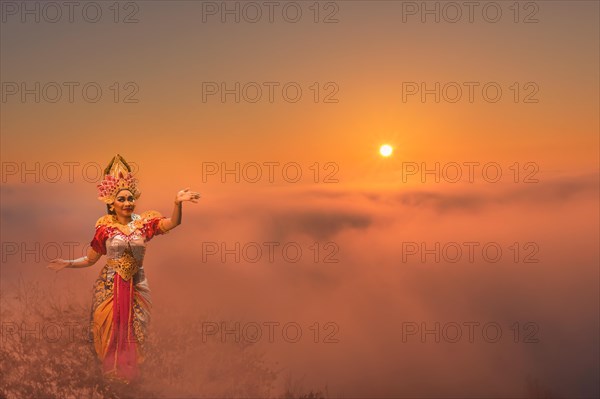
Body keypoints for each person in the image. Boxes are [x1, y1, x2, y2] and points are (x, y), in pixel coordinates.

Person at [47, 154, 200, 384]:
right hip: (110, 285)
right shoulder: (104, 228)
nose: (128, 202)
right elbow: (91, 260)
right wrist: (68, 263)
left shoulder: (143, 223)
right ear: (111, 203)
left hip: (137, 285)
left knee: (136, 331)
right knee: (109, 330)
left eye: (130, 198)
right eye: (122, 199)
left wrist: (177, 203)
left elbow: (172, 223)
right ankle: (110, 377)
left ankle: (132, 379)